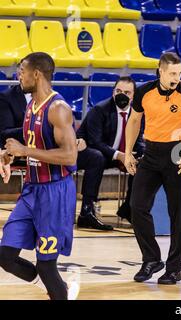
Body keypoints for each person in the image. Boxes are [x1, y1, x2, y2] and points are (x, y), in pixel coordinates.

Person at [0, 52, 78, 300]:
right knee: (5, 256)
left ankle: (57, 291)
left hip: (55, 193)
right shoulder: (31, 105)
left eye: (22, 70)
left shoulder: (58, 109)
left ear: (37, 74)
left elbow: (70, 157)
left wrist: (24, 150)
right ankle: (49, 287)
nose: (18, 75)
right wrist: (11, 155)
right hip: (32, 190)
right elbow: (36, 144)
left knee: (46, 265)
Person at [124, 52, 181, 285]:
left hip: (177, 155)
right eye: (172, 73)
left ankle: (174, 268)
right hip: (151, 153)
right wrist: (128, 152)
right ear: (160, 71)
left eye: (179, 73)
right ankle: (151, 259)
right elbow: (134, 121)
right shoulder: (145, 91)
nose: (176, 78)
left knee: (178, 215)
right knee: (137, 206)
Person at [75, 77, 144, 230]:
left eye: (127, 92)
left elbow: (138, 141)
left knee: (141, 161)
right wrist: (120, 155)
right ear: (113, 92)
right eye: (118, 91)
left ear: (134, 95)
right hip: (92, 153)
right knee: (97, 158)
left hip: (119, 155)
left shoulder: (138, 114)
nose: (122, 95)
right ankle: (87, 211)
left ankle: (129, 208)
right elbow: (95, 142)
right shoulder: (100, 110)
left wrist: (143, 153)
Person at [0, 62, 31, 149]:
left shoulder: (52, 99)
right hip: (19, 156)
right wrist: (33, 129)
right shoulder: (5, 97)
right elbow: (4, 133)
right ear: (18, 75)